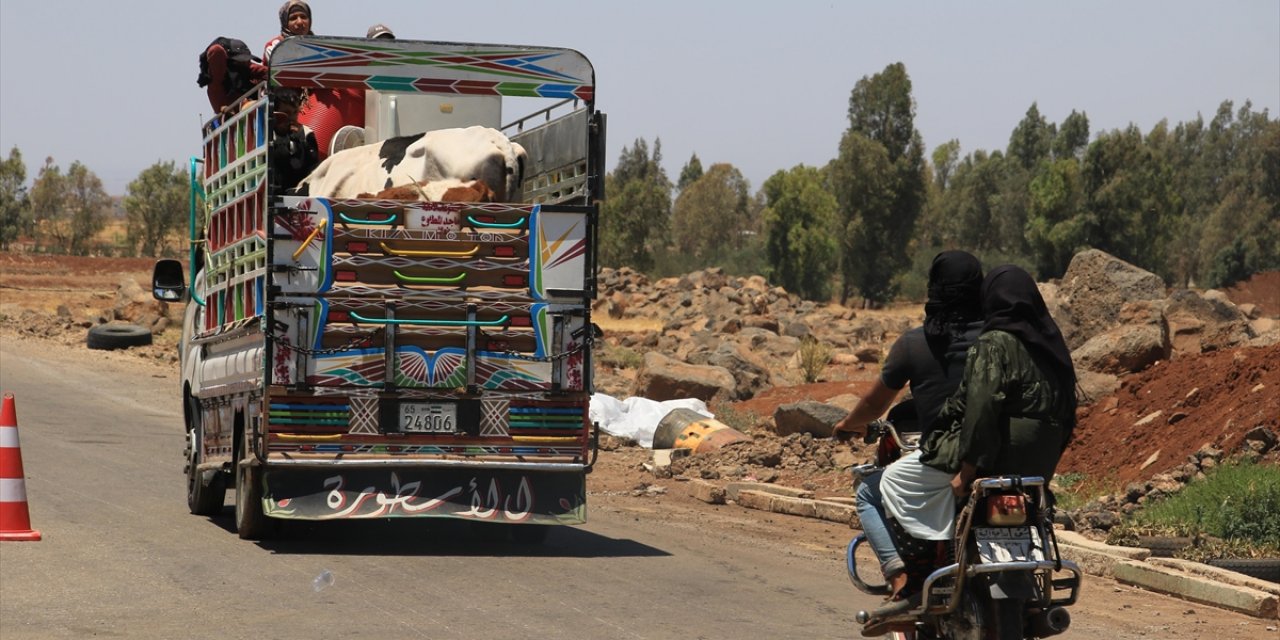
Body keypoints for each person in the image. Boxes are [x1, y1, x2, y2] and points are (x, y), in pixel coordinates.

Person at [869, 264, 1078, 622]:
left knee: (890, 482)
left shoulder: (994, 344)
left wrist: (965, 473)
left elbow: (981, 412)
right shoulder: (1050, 348)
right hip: (1036, 470)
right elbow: (1068, 415)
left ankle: (913, 576)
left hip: (993, 460)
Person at [831, 250, 984, 603]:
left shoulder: (915, 343)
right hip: (1004, 456)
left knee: (868, 491)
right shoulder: (1001, 339)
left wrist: (847, 425)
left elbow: (874, 404)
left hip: (947, 457)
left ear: (934, 290)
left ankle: (900, 578)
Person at [263, 1, 364, 159]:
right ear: (285, 22)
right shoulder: (276, 46)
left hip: (308, 104)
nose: (299, 22)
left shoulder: (319, 46)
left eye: (303, 17)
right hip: (282, 109)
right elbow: (289, 68)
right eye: (293, 18)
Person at [268, 88, 321, 194]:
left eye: (295, 112)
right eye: (286, 113)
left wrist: (300, 143)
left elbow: (313, 169)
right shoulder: (266, 134)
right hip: (271, 192)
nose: (292, 118)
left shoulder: (306, 134)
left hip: (298, 193)